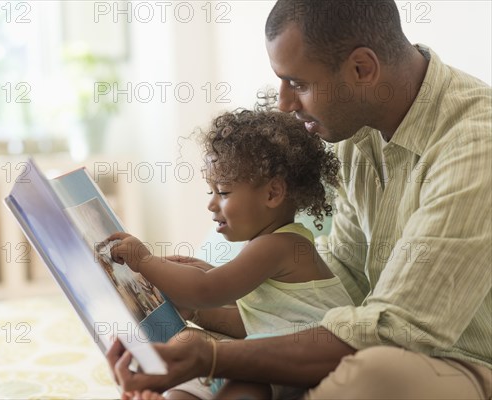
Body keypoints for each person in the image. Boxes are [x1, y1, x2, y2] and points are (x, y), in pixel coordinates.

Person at [108, 0, 492, 399]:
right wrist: (249, 292)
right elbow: (344, 278)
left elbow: (395, 332)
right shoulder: (356, 133)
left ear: (362, 68)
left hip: (465, 364)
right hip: (377, 345)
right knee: (198, 357)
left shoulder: (476, 146)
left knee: (372, 373)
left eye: (299, 84)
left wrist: (216, 357)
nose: (285, 104)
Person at [106, 108, 354, 399]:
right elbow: (256, 316)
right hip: (275, 349)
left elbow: (205, 290)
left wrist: (145, 261)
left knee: (242, 382)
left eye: (223, 192)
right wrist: (202, 285)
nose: (212, 204)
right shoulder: (270, 245)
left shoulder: (279, 246)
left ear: (272, 194)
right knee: (192, 350)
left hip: (309, 360)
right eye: (211, 191)